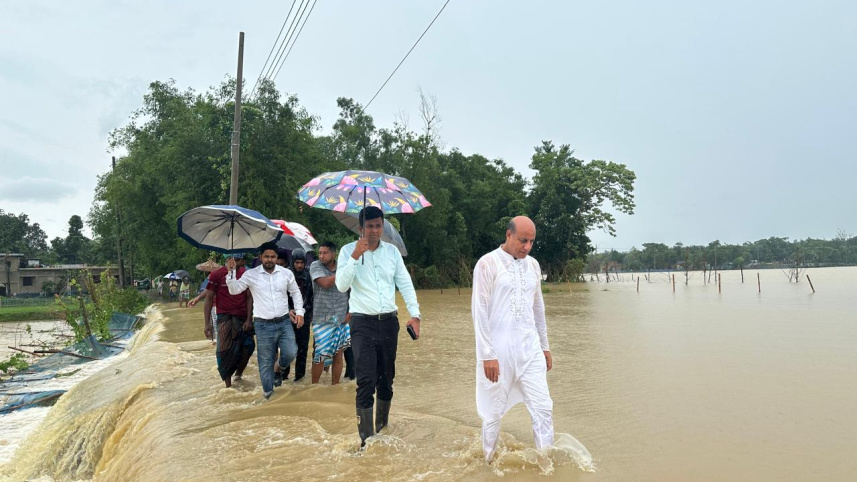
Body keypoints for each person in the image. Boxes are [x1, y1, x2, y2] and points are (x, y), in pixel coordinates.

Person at [336, 206, 422, 447]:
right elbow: (342, 286)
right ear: (360, 228)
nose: (374, 231)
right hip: (362, 323)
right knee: (365, 381)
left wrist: (415, 314)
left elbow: (404, 284)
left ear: (382, 226)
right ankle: (366, 441)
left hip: (389, 324)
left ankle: (382, 429)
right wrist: (355, 256)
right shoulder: (347, 252)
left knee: (386, 379)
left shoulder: (392, 253)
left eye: (378, 226)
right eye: (370, 226)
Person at [472, 216, 553, 462]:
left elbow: (538, 308)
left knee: (543, 408)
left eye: (531, 242)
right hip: (498, 353)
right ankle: (487, 462)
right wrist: (487, 354)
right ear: (508, 235)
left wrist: (545, 347)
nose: (527, 247)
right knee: (493, 412)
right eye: (522, 240)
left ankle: (546, 463)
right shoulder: (488, 264)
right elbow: (479, 311)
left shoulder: (533, 266)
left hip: (530, 350)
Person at [226, 241, 305, 400]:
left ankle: (279, 367)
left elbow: (295, 293)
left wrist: (300, 312)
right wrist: (232, 272)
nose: (270, 260)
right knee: (265, 362)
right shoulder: (251, 275)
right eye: (266, 256)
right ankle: (269, 396)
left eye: (273, 257)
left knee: (291, 352)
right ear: (260, 257)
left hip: (283, 322)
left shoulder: (285, 273)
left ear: (277, 257)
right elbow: (234, 290)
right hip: (263, 324)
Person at [189, 253, 255, 388]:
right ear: (227, 261)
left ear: (242, 261)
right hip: (224, 317)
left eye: (237, 260)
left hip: (242, 317)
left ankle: (238, 374)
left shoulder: (246, 275)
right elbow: (208, 298)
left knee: (248, 347)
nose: (235, 263)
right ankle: (228, 385)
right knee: (224, 349)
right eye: (232, 260)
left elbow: (249, 297)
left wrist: (249, 319)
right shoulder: (216, 275)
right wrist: (207, 323)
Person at [309, 241, 351, 384]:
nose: (321, 256)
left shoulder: (343, 265)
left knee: (338, 355)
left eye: (325, 253)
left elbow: (354, 291)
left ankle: (335, 387)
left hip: (341, 318)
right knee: (320, 355)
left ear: (334, 254)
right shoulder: (315, 266)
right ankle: (314, 387)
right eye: (320, 253)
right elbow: (325, 283)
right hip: (321, 319)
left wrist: (350, 314)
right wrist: (346, 271)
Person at [282, 248, 313, 382]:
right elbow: (281, 295)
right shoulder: (285, 275)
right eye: (297, 262)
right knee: (287, 347)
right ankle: (283, 376)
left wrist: (305, 312)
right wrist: (289, 309)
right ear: (292, 262)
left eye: (301, 262)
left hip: (304, 316)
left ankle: (299, 378)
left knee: (303, 349)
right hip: (287, 316)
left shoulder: (309, 275)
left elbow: (311, 296)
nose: (299, 265)